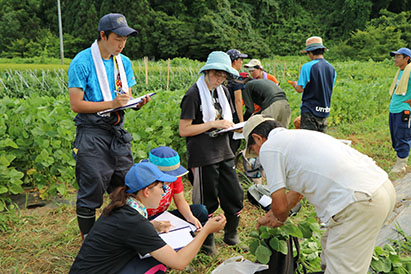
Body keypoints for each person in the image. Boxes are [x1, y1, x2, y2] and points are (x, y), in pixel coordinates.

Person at [243, 115, 396, 274]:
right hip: (381, 188)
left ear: (258, 138)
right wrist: (272, 215)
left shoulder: (270, 147)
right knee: (330, 250)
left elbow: (280, 209)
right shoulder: (298, 137)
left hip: (358, 201)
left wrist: (275, 218)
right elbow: (297, 194)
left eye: (254, 150)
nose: (258, 156)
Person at [68, 13, 150, 240]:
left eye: (125, 39)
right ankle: (89, 241)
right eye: (117, 38)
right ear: (103, 35)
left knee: (125, 185)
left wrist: (136, 104)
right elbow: (76, 104)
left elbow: (126, 98)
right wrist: (113, 104)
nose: (122, 44)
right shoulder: (82, 62)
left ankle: (118, 235)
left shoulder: (123, 63)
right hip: (92, 133)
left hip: (117, 133)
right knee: (91, 189)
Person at [69, 162, 226, 273]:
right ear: (146, 191)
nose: (165, 191)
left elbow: (126, 232)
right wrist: (206, 230)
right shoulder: (134, 221)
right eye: (162, 187)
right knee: (157, 262)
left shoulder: (124, 207)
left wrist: (153, 226)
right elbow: (179, 263)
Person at [179, 51, 245, 255]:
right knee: (206, 200)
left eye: (224, 76)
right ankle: (206, 242)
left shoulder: (222, 92)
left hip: (224, 151)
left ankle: (231, 233)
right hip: (203, 155)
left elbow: (224, 119)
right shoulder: (193, 94)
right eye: (217, 74)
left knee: (235, 194)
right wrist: (212, 124)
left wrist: (234, 127)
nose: (220, 79)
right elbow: (184, 130)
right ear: (207, 72)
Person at [144, 146, 208, 230]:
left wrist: (190, 217)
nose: (171, 180)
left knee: (200, 211)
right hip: (142, 220)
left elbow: (180, 200)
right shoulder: (143, 180)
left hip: (162, 216)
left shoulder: (175, 177)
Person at [288, 36, 336, 133]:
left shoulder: (307, 67)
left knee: (308, 142)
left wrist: (295, 84)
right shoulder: (332, 69)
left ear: (310, 52)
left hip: (310, 111)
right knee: (320, 142)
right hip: (324, 111)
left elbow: (300, 89)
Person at [388, 47, 411, 173]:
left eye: (398, 56)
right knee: (396, 136)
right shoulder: (401, 72)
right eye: (395, 56)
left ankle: (401, 165)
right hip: (394, 109)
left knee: (403, 136)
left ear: (406, 59)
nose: (395, 59)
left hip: (404, 110)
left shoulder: (410, 71)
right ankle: (399, 160)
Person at [225, 49, 248, 154]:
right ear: (235, 61)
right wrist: (241, 121)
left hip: (222, 113)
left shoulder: (222, 75)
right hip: (232, 114)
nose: (241, 62)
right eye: (241, 59)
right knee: (233, 145)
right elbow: (238, 100)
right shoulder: (236, 77)